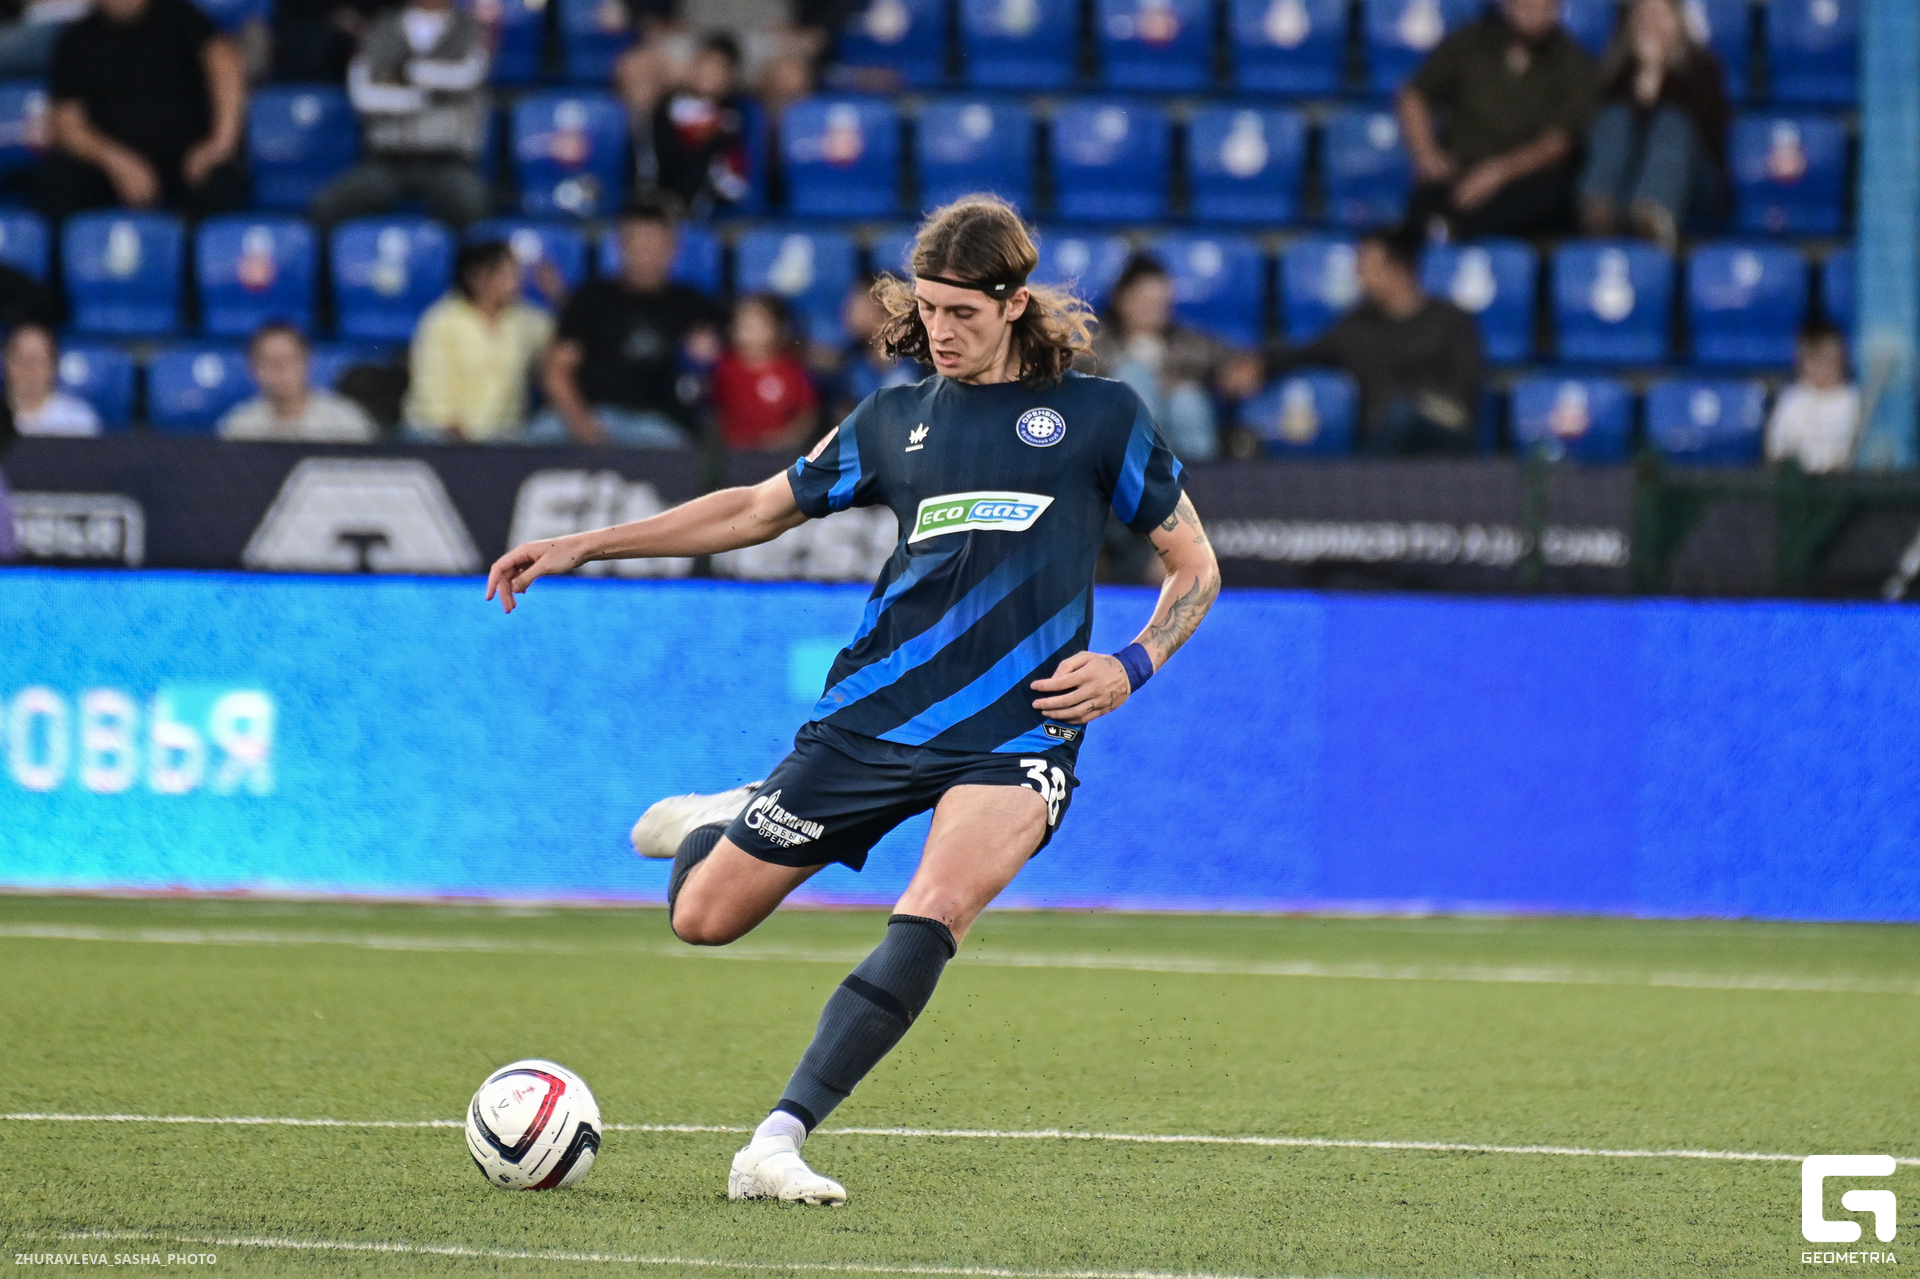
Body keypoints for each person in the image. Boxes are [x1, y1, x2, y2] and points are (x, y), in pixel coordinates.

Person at [484, 195, 1218, 1206]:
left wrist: (1133, 663)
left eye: (963, 312)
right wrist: (586, 544)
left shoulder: (1101, 417)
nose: (941, 332)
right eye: (929, 309)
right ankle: (727, 816)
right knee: (702, 917)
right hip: (874, 715)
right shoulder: (894, 419)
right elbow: (753, 509)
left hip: (1018, 728)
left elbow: (1195, 566)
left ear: (1014, 303)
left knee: (937, 907)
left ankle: (775, 1142)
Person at [1254, 227, 1484, 456]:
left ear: (1400, 270)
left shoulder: (1451, 321)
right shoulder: (1356, 325)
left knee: (1402, 414)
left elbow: (1465, 390)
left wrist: (1425, 408)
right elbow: (1306, 353)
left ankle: (1364, 474)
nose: (1360, 278)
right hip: (1381, 434)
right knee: (1393, 419)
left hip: (1444, 433)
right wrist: (1262, 365)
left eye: (1367, 269)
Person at [531, 195, 723, 449]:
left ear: (673, 247)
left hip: (657, 425)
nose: (646, 253)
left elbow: (727, 365)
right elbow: (556, 371)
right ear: (621, 245)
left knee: (676, 452)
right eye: (637, 243)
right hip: (587, 416)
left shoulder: (693, 305)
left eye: (654, 244)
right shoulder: (591, 299)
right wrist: (585, 428)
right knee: (535, 439)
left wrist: (705, 357)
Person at [1397, 0, 1598, 241]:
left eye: (1543, 8)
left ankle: (1452, 229)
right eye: (1525, 6)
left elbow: (1559, 142)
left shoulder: (1574, 63)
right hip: (1461, 167)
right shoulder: (1470, 43)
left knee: (1551, 191)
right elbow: (1414, 95)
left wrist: (1497, 173)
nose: (1533, 14)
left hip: (1524, 176)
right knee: (1427, 194)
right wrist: (1427, 155)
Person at [38, 0, 247, 221]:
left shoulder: (180, 18)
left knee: (220, 182)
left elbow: (224, 61)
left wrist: (219, 143)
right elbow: (67, 124)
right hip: (108, 167)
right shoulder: (76, 40)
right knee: (56, 180)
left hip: (187, 164)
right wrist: (116, 162)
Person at [310, 0, 490, 230]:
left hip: (446, 158)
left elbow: (468, 77)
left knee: (472, 207)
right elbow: (363, 96)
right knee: (328, 207)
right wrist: (419, 98)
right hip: (388, 158)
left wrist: (408, 74)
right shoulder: (382, 28)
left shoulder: (469, 27)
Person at [1577, 0, 1730, 249]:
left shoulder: (1703, 69)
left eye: (1661, 16)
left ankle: (1650, 220)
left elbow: (1707, 134)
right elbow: (1600, 132)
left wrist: (1658, 73)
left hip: (1693, 183)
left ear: (1678, 22)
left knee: (1672, 123)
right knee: (1615, 117)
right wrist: (1644, 76)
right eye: (1644, 16)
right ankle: (1597, 213)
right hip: (1626, 185)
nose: (1652, 24)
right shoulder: (1614, 73)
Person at [1091, 255, 1246, 465]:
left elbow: (1236, 361)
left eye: (1159, 303)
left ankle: (1199, 475)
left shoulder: (1186, 341)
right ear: (1121, 299)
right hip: (1116, 449)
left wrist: (1234, 374)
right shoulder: (1093, 342)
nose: (1151, 310)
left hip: (1183, 441)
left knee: (1187, 399)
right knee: (1133, 377)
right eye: (1143, 301)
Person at [405, 240, 554, 443]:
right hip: (439, 435)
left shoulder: (527, 319)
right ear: (479, 277)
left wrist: (555, 292)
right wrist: (457, 436)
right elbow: (431, 390)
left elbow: (567, 337)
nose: (516, 282)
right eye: (506, 274)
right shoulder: (442, 320)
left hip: (507, 437)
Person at [637, 30, 753, 218]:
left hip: (714, 208)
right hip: (663, 201)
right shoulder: (664, 110)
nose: (708, 74)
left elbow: (733, 180)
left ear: (730, 78)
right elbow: (651, 161)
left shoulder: (734, 118)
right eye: (704, 65)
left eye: (718, 69)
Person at [218, 322, 378, 443]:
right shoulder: (238, 428)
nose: (280, 369)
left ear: (308, 361)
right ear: (252, 368)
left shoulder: (346, 423)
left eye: (288, 359)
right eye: (269, 361)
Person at [711, 293, 818, 452]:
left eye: (758, 326)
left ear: (777, 328)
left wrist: (786, 440)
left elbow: (807, 414)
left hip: (780, 455)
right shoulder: (724, 368)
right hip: (734, 453)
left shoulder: (790, 369)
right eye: (743, 326)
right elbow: (713, 412)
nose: (750, 334)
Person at [823, 274, 919, 421]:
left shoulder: (921, 362)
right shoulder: (850, 367)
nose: (846, 310)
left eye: (857, 304)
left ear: (885, 307)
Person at [1765, 324, 1858, 474]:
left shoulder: (1854, 401)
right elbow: (1776, 452)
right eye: (1815, 360)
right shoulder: (1791, 401)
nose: (1822, 368)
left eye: (1828, 359)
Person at [5, 322, 99, 436]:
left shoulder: (78, 420)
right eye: (21, 359)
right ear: (7, 363)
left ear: (53, 366)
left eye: (38, 361)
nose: (29, 368)